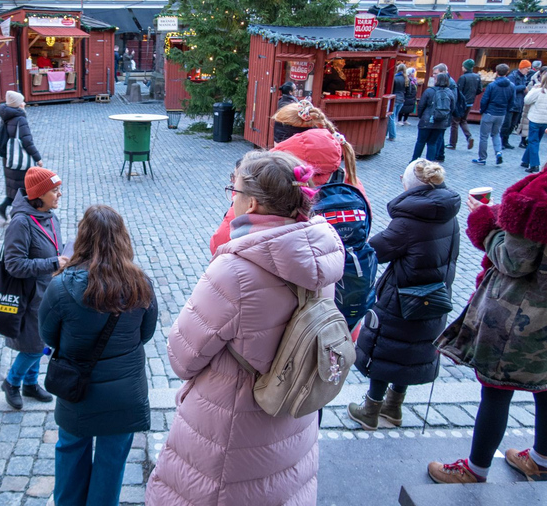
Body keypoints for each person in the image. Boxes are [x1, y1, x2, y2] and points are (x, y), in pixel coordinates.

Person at [146, 151, 345, 505]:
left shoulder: (235, 270)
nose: (232, 198)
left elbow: (181, 358)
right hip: (293, 419)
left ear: (251, 203)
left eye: (233, 191)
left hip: (230, 431)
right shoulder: (319, 255)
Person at [429, 171, 547, 484]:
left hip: (524, 315)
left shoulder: (540, 193)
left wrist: (487, 223)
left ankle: (475, 469)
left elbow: (513, 261)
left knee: (496, 389)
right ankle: (541, 460)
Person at [39, 205, 158, 505]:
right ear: (122, 238)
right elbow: (145, 334)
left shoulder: (61, 287)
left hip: (77, 390)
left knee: (70, 451)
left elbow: (47, 336)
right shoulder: (141, 283)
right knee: (112, 462)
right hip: (125, 394)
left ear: (82, 237)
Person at [348, 159, 460, 430]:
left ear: (410, 186)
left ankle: (370, 410)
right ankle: (394, 408)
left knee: (386, 349)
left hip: (400, 298)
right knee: (411, 351)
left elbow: (375, 251)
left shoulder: (409, 221)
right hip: (434, 297)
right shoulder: (448, 213)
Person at [1, 167, 67, 409]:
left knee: (43, 344)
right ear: (39, 195)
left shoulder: (50, 216)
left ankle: (30, 384)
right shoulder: (20, 223)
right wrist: (51, 263)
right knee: (32, 348)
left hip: (47, 295)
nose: (60, 194)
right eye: (55, 190)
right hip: (28, 298)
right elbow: (13, 265)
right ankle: (11, 382)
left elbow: (53, 250)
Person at [0, 91, 43, 222]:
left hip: (9, 158)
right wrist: (38, 158)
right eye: (22, 101)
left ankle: (4, 206)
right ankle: (22, 215)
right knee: (23, 188)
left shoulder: (6, 116)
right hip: (19, 159)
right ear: (17, 104)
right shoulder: (20, 119)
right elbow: (27, 141)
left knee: (14, 186)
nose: (24, 103)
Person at [473, 64, 515, 166]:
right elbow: (512, 101)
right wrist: (507, 110)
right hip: (501, 114)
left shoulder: (492, 85)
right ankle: (498, 152)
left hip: (490, 112)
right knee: (496, 134)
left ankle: (482, 158)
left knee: (484, 136)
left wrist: (483, 110)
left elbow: (485, 100)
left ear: (496, 72)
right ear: (507, 72)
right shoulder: (512, 86)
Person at [411, 72, 455, 162]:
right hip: (441, 123)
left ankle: (414, 161)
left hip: (427, 121)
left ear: (437, 80)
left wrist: (422, 117)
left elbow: (421, 105)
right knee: (432, 143)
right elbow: (452, 108)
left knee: (420, 142)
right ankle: (430, 164)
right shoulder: (450, 93)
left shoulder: (429, 91)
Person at [447, 59, 482, 150]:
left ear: (465, 67)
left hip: (461, 103)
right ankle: (469, 136)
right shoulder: (477, 77)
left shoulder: (463, 78)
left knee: (455, 122)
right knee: (463, 120)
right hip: (470, 103)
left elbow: (458, 91)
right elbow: (479, 90)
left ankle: (452, 143)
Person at [501, 60, 531, 150]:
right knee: (507, 124)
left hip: (519, 104)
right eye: (527, 68)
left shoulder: (524, 77)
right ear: (522, 68)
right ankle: (502, 141)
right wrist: (523, 88)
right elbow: (511, 88)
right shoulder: (512, 76)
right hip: (511, 104)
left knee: (513, 124)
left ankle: (506, 141)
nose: (528, 70)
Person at [430, 64, 457, 162]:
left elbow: (453, 102)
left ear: (443, 72)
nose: (433, 75)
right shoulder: (448, 83)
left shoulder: (451, 84)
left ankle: (438, 155)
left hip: (443, 115)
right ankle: (439, 155)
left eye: (435, 73)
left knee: (439, 135)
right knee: (439, 135)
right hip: (443, 114)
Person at [521, 73, 547, 173]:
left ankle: (534, 164)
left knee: (533, 141)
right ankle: (525, 160)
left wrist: (533, 89)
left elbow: (527, 100)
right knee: (535, 141)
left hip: (535, 119)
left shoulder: (538, 91)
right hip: (545, 120)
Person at [387, 63, 407, 141]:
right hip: (401, 99)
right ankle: (388, 134)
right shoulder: (406, 79)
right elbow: (408, 90)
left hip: (394, 99)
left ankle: (392, 135)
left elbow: (392, 89)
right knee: (393, 117)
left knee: (391, 117)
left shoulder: (395, 78)